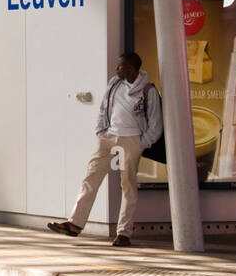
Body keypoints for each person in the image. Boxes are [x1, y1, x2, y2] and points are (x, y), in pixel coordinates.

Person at [48, 52, 163, 248]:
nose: (117, 69)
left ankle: (123, 234)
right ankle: (75, 224)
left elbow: (155, 124)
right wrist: (100, 131)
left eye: (121, 66)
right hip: (108, 137)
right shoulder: (114, 83)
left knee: (128, 185)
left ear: (132, 68)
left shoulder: (148, 90)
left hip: (132, 139)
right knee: (91, 176)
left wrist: (141, 143)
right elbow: (103, 108)